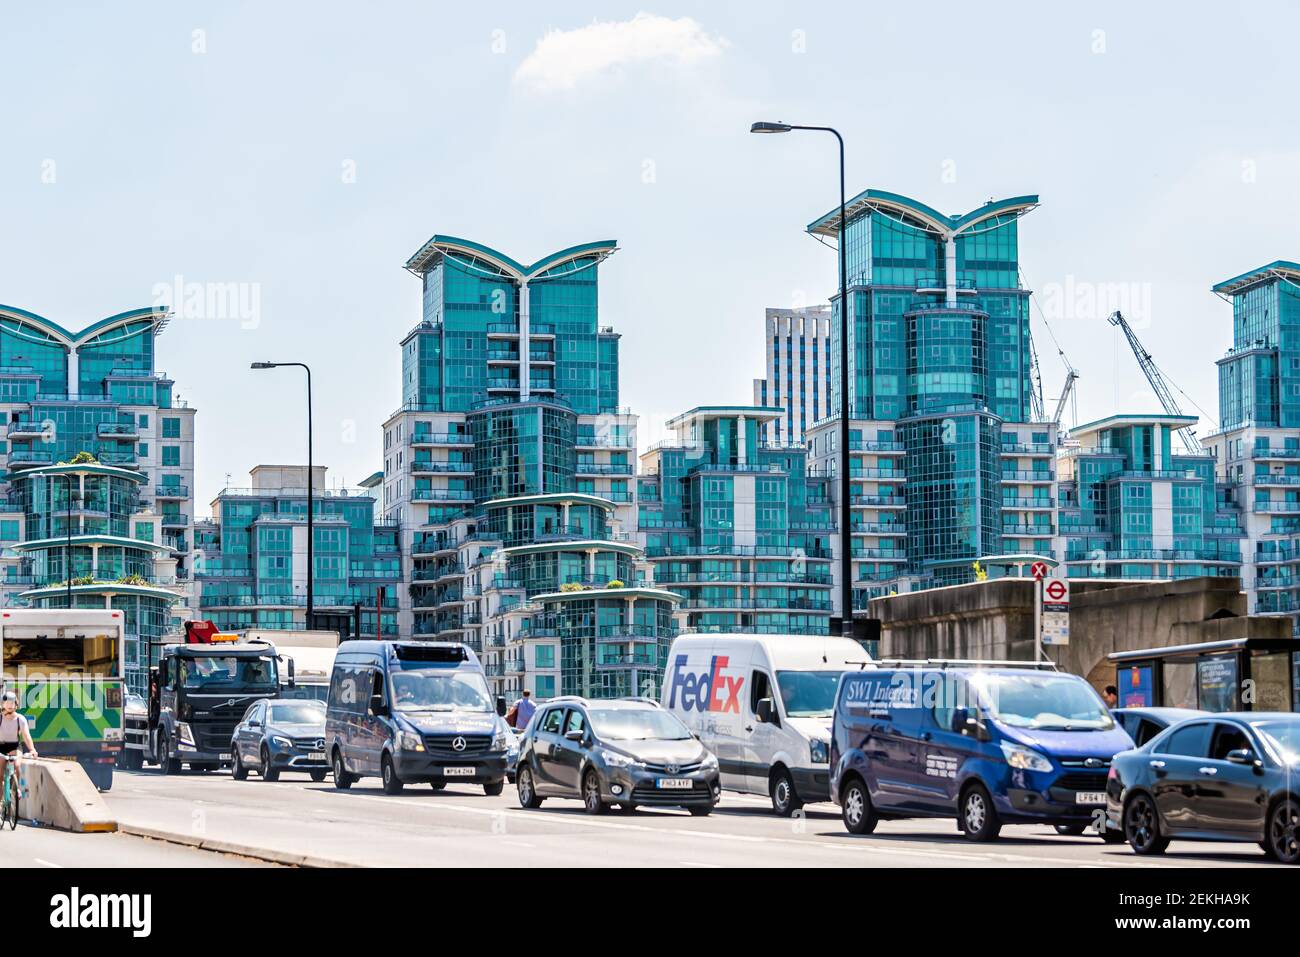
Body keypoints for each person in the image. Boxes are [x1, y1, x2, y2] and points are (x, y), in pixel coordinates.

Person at [0, 691, 37, 790]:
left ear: (16, 704)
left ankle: (17, 789)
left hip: (15, 746)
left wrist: (32, 749)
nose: (10, 706)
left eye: (12, 703)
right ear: (3, 704)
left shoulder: (20, 719)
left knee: (17, 765)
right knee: (0, 774)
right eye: (7, 703)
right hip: (1, 747)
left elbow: (26, 735)